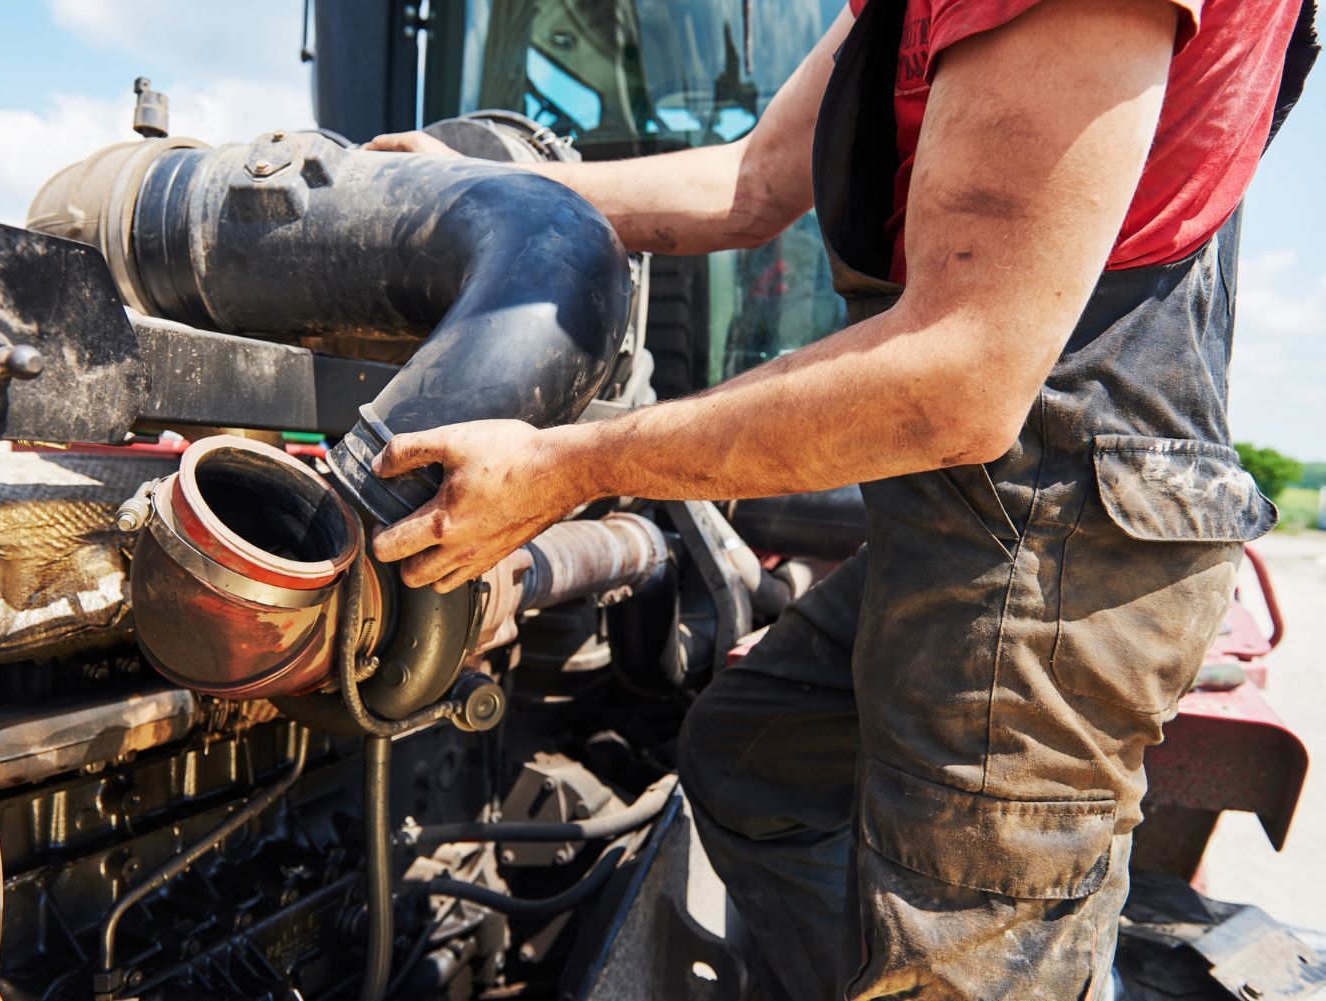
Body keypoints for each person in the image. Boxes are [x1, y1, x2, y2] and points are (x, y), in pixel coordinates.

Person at [365, 0, 1316, 996]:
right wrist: (470, 189)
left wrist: (574, 465)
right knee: (755, 756)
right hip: (967, 504)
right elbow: (748, 181)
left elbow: (959, 375)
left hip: (1056, 529)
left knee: (965, 953)